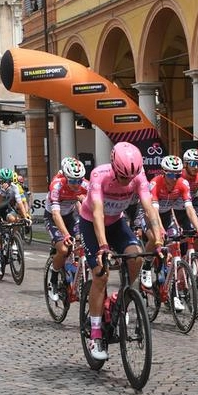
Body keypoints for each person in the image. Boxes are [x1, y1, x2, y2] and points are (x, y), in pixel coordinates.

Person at [79, 142, 162, 361]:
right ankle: (95, 334)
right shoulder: (100, 175)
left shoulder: (138, 176)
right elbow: (97, 212)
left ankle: (118, 299)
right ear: (115, 167)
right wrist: (103, 247)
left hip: (116, 222)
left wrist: (159, 239)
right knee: (101, 273)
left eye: (130, 178)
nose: (127, 182)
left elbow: (148, 206)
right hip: (91, 223)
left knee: (136, 256)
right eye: (123, 177)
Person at [140, 155, 198, 309]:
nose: (174, 178)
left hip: (167, 215)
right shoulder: (155, 183)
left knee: (175, 246)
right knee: (156, 238)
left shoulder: (183, 183)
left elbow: (189, 209)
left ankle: (174, 290)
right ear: (164, 173)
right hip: (150, 214)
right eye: (170, 174)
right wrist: (160, 231)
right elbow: (154, 212)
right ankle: (146, 266)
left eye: (177, 174)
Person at [45, 157, 88, 302]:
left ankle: (74, 270)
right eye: (73, 181)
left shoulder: (86, 186)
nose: (76, 185)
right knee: (64, 249)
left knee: (83, 242)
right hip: (53, 218)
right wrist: (65, 235)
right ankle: (54, 277)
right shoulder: (56, 186)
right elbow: (56, 214)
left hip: (69, 216)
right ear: (65, 177)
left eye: (79, 181)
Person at [0, 167, 30, 277]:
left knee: (14, 220)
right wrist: (1, 194)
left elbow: (20, 204)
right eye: (3, 181)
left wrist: (26, 217)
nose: (6, 184)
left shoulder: (14, 187)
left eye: (8, 181)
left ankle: (13, 241)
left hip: (5, 208)